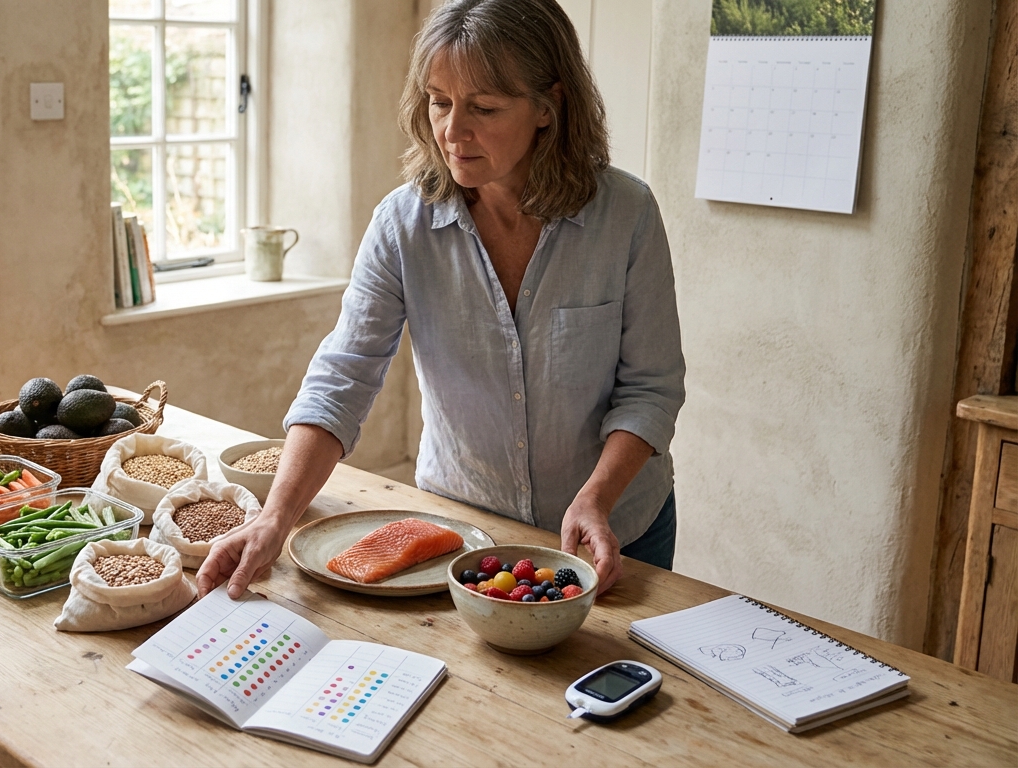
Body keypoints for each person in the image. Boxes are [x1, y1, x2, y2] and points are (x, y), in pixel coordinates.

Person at [197, 0, 684, 600]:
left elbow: (651, 388)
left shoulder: (627, 215)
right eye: (439, 101)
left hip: (615, 529)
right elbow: (343, 377)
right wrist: (274, 517)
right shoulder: (403, 224)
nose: (453, 131)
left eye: (483, 108)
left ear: (547, 107)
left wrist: (596, 497)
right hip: (462, 534)